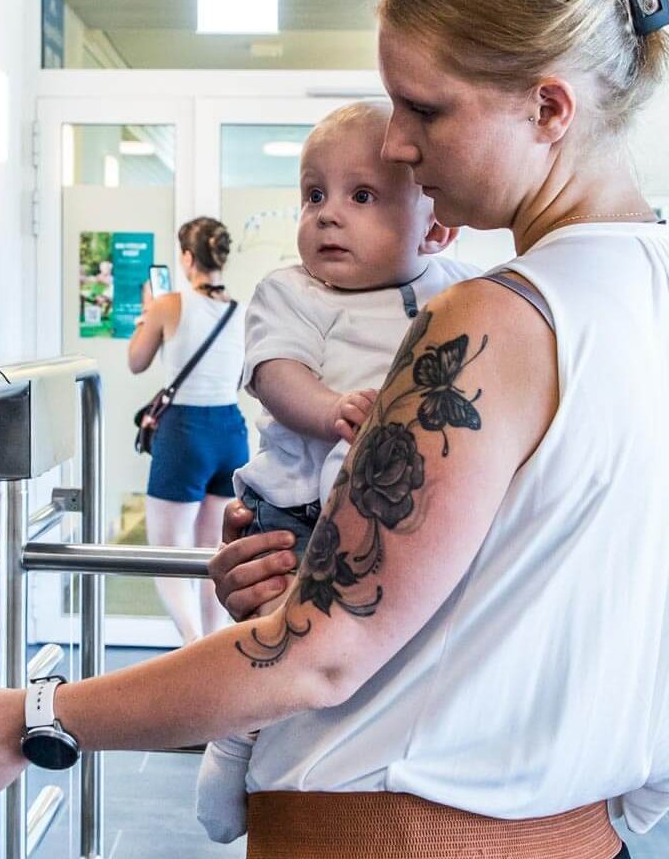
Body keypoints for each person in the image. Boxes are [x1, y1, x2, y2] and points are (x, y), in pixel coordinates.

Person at [0, 0, 669, 859]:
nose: (400, 145)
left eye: (425, 109)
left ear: (548, 107)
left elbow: (323, 655)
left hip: (402, 830)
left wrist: (30, 714)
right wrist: (319, 555)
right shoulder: (661, 287)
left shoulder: (491, 320)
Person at [195, 100, 474, 844]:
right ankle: (234, 740)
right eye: (313, 195)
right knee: (275, 640)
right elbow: (272, 374)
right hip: (296, 508)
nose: (327, 216)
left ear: (435, 227)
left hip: (392, 515)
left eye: (362, 197)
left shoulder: (462, 289)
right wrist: (330, 410)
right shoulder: (295, 291)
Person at [127, 217, 249, 641]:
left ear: (186, 257)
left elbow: (136, 361)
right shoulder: (241, 311)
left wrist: (148, 313)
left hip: (185, 433)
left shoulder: (168, 305)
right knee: (212, 555)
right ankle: (211, 648)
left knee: (167, 554)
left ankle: (192, 646)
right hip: (230, 432)